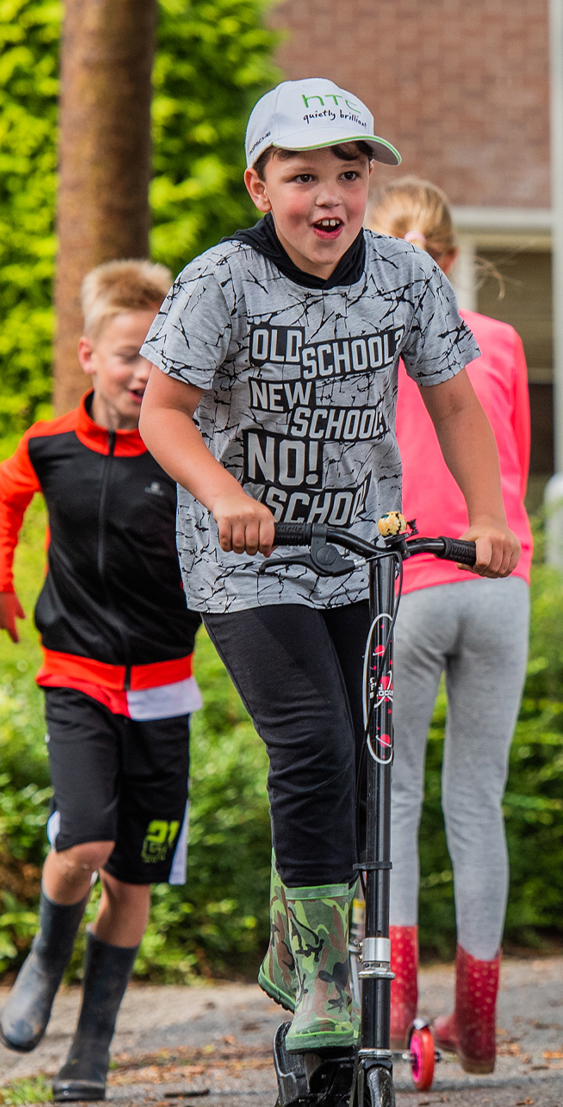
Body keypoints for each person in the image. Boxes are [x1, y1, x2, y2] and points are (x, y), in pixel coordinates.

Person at [137, 78, 520, 1056]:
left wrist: (485, 517)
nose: (330, 197)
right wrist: (225, 497)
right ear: (260, 185)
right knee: (312, 742)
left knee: (362, 759)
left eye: (348, 174)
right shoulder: (218, 282)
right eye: (303, 175)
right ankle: (321, 977)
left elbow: (455, 403)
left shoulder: (402, 276)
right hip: (245, 561)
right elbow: (163, 410)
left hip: (361, 555)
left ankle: (296, 934)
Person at [0, 261, 202, 1101]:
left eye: (160, 355)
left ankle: (92, 1047)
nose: (143, 371)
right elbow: (5, 500)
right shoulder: (51, 447)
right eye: (128, 354)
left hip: (165, 689)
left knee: (136, 877)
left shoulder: (188, 449)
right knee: (82, 842)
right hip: (76, 678)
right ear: (89, 355)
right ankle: (45, 959)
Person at [365, 178, 533, 1073]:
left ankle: (394, 1011)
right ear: (454, 259)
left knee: (398, 799)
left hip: (414, 580)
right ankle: (478, 1014)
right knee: (478, 803)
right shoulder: (500, 340)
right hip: (502, 581)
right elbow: (514, 468)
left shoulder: (368, 345)